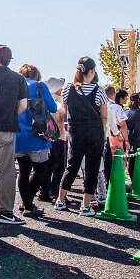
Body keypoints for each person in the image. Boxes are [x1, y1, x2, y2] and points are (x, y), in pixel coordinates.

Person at [55, 57, 108, 216]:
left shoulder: (67, 89)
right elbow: (104, 116)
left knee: (71, 166)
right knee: (91, 168)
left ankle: (60, 200)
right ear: (92, 71)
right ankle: (85, 206)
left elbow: (67, 111)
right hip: (94, 133)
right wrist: (104, 134)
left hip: (75, 132)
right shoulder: (99, 91)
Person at [0, 45, 29, 225]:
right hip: (8, 128)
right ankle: (5, 211)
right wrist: (11, 115)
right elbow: (23, 106)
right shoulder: (18, 78)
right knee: (7, 170)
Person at [15, 65, 57, 217]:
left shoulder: (16, 85)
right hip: (37, 135)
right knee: (40, 170)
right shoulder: (39, 86)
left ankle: (26, 204)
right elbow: (52, 107)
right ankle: (27, 204)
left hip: (18, 135)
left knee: (23, 171)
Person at [40, 77, 66, 202]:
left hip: (45, 137)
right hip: (58, 137)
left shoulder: (43, 100)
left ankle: (43, 191)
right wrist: (62, 131)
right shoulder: (57, 102)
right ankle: (55, 191)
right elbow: (60, 120)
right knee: (59, 167)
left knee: (47, 166)